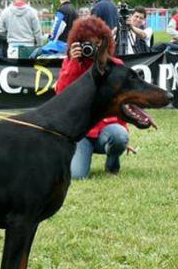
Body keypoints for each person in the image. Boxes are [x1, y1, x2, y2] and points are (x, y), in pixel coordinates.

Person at [55, 16, 132, 178]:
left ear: (106, 43)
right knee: (76, 175)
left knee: (119, 135)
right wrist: (74, 63)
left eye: (98, 44)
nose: (94, 48)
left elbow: (122, 103)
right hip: (80, 133)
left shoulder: (115, 65)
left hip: (106, 129)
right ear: (77, 43)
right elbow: (61, 94)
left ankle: (112, 163)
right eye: (88, 43)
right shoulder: (71, 63)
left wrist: (124, 135)